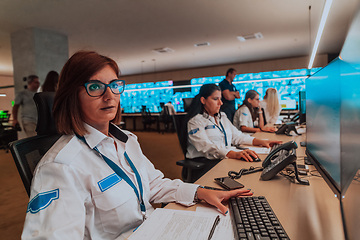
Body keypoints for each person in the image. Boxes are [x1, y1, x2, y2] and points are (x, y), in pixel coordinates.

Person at [21, 51, 253, 240]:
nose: (109, 95)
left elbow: (153, 184)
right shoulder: (61, 166)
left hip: (157, 228)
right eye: (95, 87)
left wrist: (200, 192)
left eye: (114, 85)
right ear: (72, 95)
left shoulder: (126, 140)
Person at [186, 84, 281, 162]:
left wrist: (261, 142)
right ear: (203, 100)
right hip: (206, 162)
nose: (221, 103)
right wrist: (233, 154)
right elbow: (206, 147)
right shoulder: (195, 122)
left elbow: (238, 136)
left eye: (220, 99)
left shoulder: (222, 117)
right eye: (215, 99)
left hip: (225, 157)